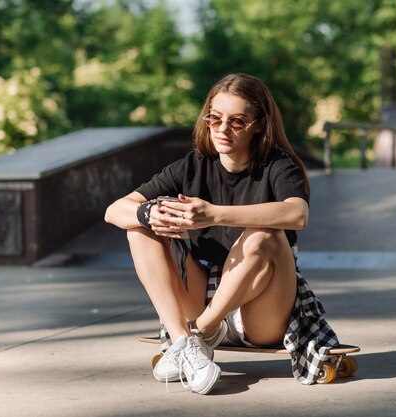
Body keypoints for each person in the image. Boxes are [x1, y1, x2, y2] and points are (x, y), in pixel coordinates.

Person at [104, 73, 338, 395]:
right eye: (215, 118)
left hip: (260, 309)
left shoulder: (278, 166)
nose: (222, 129)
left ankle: (198, 334)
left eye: (237, 122)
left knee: (264, 235)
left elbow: (297, 214)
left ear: (258, 124)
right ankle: (185, 342)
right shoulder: (193, 165)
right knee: (139, 230)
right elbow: (113, 210)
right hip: (201, 295)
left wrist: (213, 214)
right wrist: (148, 214)